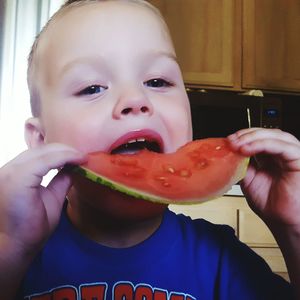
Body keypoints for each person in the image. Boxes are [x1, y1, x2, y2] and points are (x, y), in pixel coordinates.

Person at [0, 0, 299, 299]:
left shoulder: (221, 261)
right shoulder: (19, 256)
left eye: (157, 81)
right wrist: (10, 247)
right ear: (40, 140)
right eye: (92, 88)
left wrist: (294, 226)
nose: (135, 98)